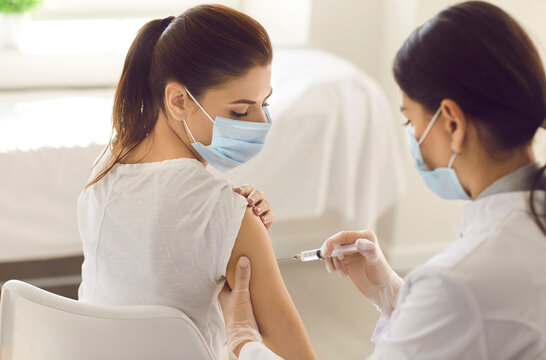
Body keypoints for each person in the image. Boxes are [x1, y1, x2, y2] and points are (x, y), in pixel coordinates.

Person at [218, 1, 546, 359]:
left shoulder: (457, 283)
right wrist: (392, 292)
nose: (412, 136)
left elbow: (465, 306)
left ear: (452, 124)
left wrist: (243, 341)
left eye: (410, 121)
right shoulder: (502, 252)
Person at [77, 4, 317, 360]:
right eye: (239, 111)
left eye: (264, 104)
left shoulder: (103, 172)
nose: (259, 123)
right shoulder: (223, 211)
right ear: (178, 101)